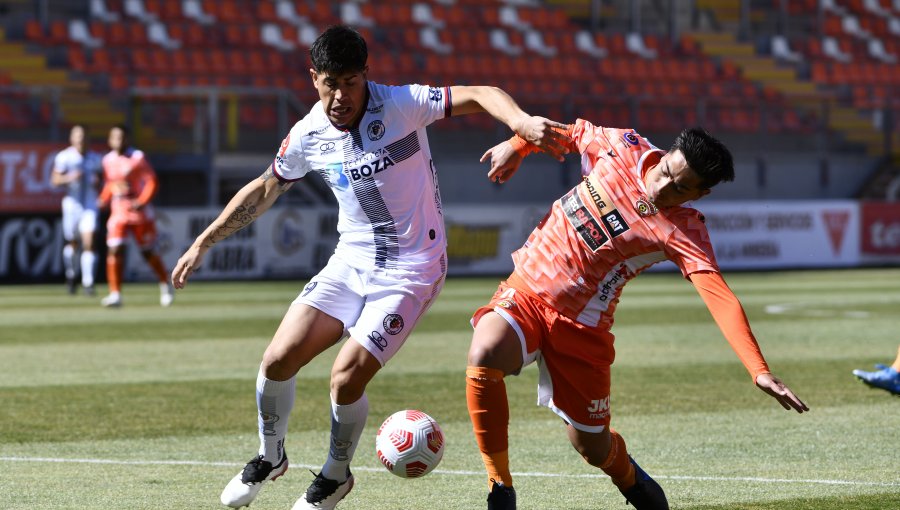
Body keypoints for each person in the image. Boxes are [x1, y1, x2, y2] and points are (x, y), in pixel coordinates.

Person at [169, 25, 567, 510]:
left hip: (413, 267)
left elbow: (482, 94)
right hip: (351, 259)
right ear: (313, 78)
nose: (341, 95)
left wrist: (521, 124)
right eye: (330, 82)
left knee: (344, 377)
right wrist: (203, 242)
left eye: (351, 82)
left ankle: (335, 476)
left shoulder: (401, 104)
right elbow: (265, 187)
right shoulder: (308, 134)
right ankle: (269, 455)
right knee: (276, 360)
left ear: (367, 77)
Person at [465, 120, 809, 510]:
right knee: (485, 352)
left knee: (592, 448)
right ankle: (500, 486)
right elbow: (558, 133)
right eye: (665, 171)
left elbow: (719, 296)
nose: (663, 187)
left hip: (583, 330)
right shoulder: (619, 145)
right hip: (527, 290)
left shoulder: (682, 230)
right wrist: (518, 144)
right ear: (665, 154)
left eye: (680, 188)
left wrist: (758, 369)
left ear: (701, 194)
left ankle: (629, 477)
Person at [97, 125, 174, 308]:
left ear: (128, 139)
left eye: (122, 137)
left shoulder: (137, 158)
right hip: (118, 210)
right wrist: (103, 198)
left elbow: (151, 181)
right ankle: (115, 294)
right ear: (109, 140)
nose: (119, 141)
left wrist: (142, 201)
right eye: (115, 137)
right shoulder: (107, 160)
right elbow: (110, 183)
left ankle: (165, 282)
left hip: (139, 212)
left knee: (147, 252)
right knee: (115, 249)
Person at [51, 124, 103, 295]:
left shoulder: (96, 159)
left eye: (83, 135)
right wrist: (70, 177)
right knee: (72, 242)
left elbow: (104, 181)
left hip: (90, 205)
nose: (81, 139)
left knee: (89, 242)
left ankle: (88, 283)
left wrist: (98, 183)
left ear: (88, 138)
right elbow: (55, 180)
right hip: (71, 205)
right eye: (77, 135)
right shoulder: (65, 157)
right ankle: (72, 275)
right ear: (72, 138)